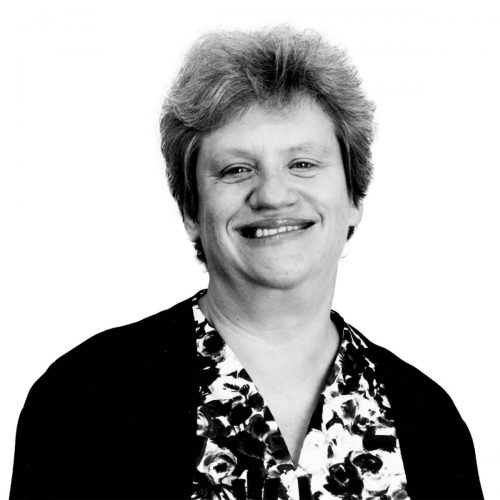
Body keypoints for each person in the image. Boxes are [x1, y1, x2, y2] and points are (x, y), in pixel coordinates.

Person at [10, 26, 482, 500]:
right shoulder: (84, 398)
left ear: (354, 197)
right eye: (237, 169)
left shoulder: (429, 420)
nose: (273, 194)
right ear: (191, 211)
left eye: (302, 164)